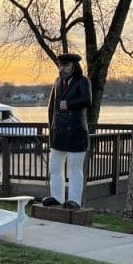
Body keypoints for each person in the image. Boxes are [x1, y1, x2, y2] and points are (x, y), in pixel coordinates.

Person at [44, 52, 92, 209]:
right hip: (59, 133)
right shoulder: (58, 82)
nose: (61, 69)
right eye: (60, 65)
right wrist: (51, 129)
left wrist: (69, 104)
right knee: (54, 167)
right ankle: (57, 197)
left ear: (74, 66)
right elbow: (51, 108)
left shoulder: (82, 81)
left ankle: (74, 200)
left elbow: (87, 100)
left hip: (76, 132)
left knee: (75, 169)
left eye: (66, 65)